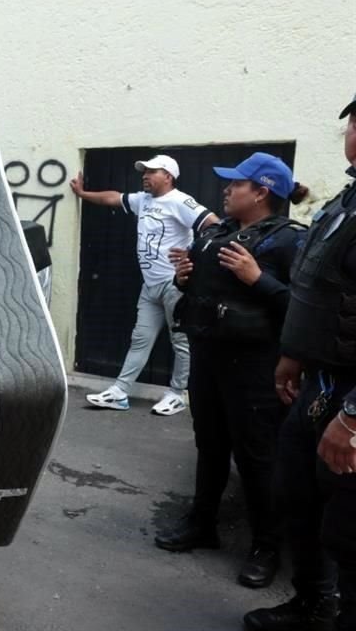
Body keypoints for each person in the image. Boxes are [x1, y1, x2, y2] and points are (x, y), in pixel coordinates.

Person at [156, 153, 308, 590]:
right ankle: (202, 524)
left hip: (256, 366)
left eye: (235, 184)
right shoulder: (216, 234)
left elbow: (300, 307)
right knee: (211, 445)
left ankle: (267, 547)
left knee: (258, 458)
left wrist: (257, 277)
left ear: (261, 191)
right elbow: (203, 289)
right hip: (210, 358)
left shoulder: (287, 242)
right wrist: (185, 277)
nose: (226, 189)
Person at [244, 93, 356, 631]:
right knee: (297, 493)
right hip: (322, 381)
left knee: (349, 527)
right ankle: (315, 603)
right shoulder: (347, 203)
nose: (351, 131)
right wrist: (292, 353)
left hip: (351, 398)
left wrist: (354, 417)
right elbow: (316, 286)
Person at [70, 155, 219, 415]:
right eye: (144, 171)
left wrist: (193, 253)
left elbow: (215, 225)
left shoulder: (180, 201)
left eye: (152, 171)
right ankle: (120, 392)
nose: (145, 175)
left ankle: (176, 394)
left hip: (177, 285)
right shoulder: (144, 200)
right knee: (140, 339)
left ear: (168, 176)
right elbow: (112, 198)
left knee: (181, 342)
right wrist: (83, 193)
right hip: (150, 287)